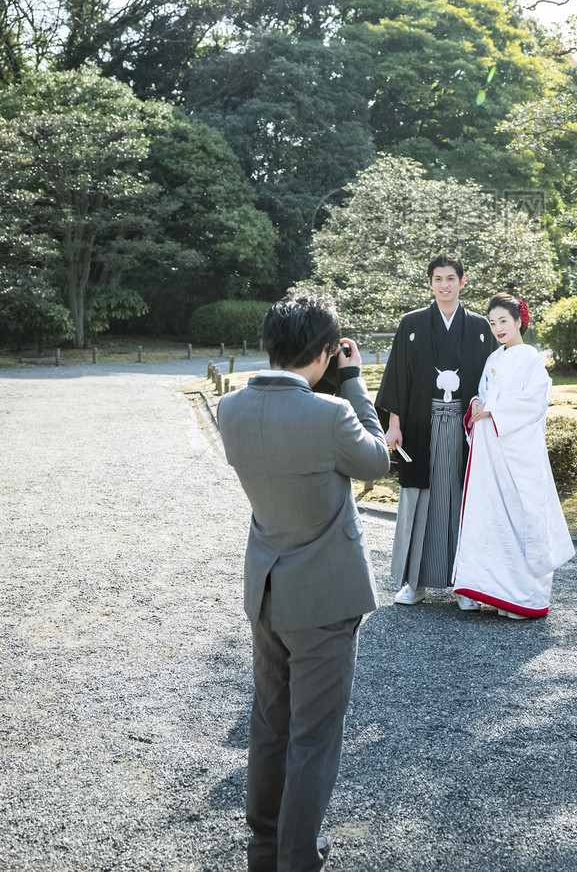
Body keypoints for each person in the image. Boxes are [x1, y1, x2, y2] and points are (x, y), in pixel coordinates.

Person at [217, 292, 390, 872]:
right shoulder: (330, 414)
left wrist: (327, 379)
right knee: (314, 736)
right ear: (324, 353)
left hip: (265, 588)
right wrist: (355, 381)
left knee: (270, 723)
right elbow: (375, 461)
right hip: (323, 597)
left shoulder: (231, 409)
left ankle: (264, 848)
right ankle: (297, 859)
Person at [376, 253, 492, 607]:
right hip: (419, 425)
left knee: (462, 498)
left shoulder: (479, 328)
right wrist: (394, 426)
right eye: (438, 279)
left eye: (450, 278)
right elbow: (397, 377)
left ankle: (465, 584)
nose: (444, 285)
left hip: (465, 426)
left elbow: (491, 379)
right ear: (430, 283)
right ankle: (415, 583)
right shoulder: (411, 323)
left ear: (462, 282)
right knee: (418, 499)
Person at [452, 293, 575, 618]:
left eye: (503, 321)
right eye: (492, 323)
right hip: (493, 453)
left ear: (519, 320)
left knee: (526, 517)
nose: (498, 328)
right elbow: (483, 393)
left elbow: (535, 400)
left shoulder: (531, 358)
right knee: (493, 520)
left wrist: (490, 409)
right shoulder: (493, 360)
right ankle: (496, 593)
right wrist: (478, 405)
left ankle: (527, 598)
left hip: (520, 452)